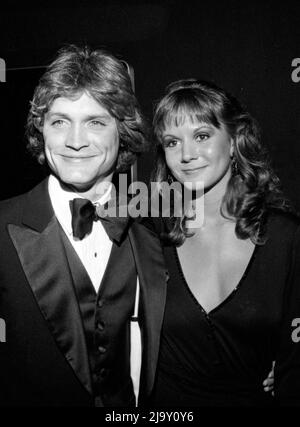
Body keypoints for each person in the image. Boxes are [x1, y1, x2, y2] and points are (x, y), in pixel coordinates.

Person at [0, 45, 169, 407]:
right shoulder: (2, 226)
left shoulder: (152, 227)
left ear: (122, 132)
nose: (75, 141)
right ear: (40, 131)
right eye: (60, 121)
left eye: (95, 121)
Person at [145, 79, 300, 406]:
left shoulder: (286, 238)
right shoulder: (149, 233)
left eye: (202, 136)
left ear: (233, 142)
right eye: (172, 142)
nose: (186, 154)